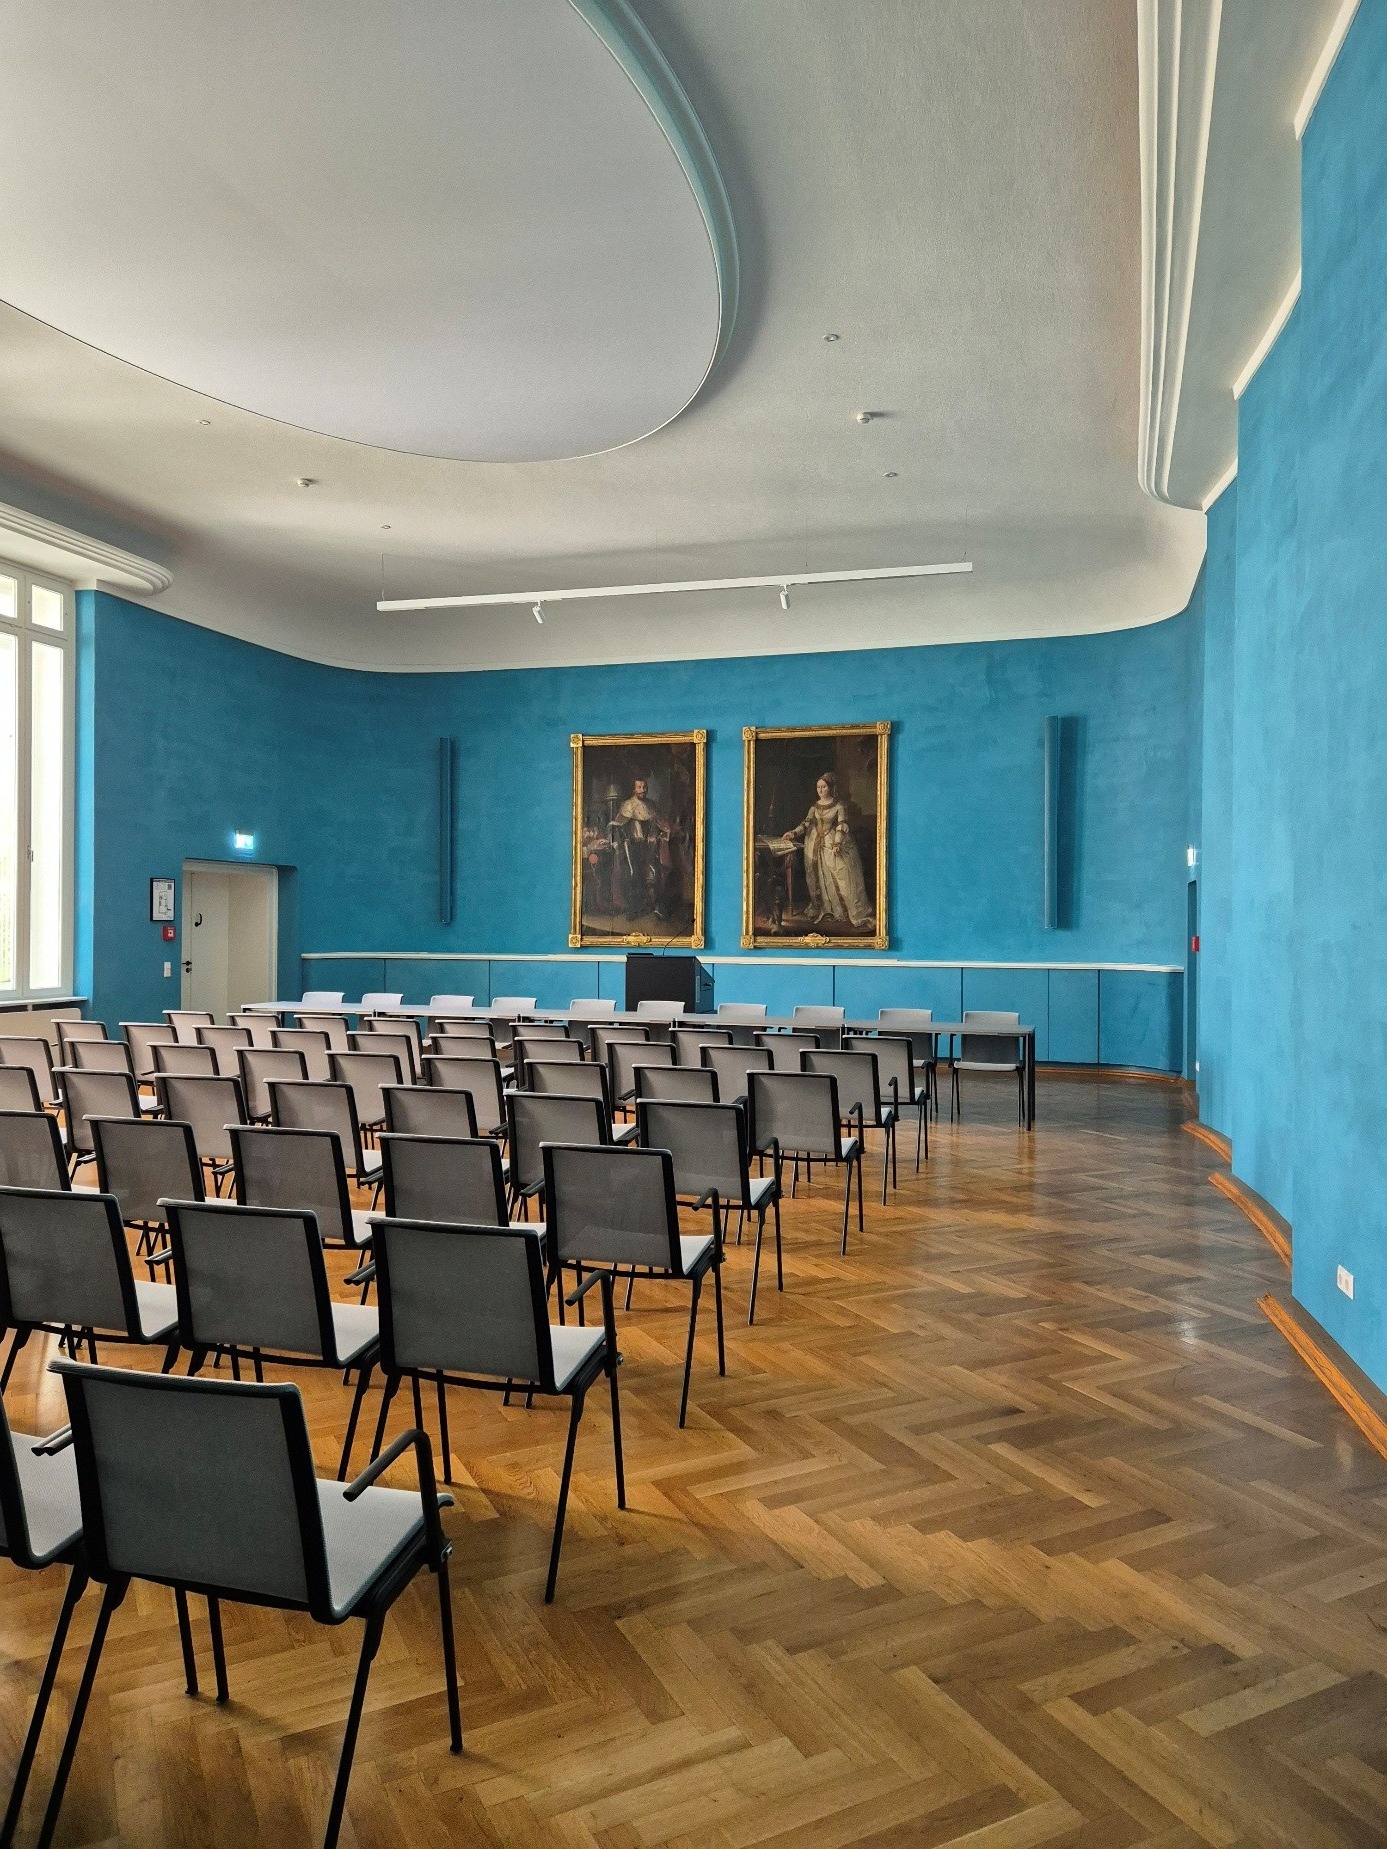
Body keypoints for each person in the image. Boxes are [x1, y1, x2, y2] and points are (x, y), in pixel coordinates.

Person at [783, 772, 873, 929]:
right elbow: (806, 823)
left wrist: (837, 843)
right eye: (818, 787)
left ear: (830, 788)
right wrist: (793, 833)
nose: (820, 790)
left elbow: (842, 824)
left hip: (833, 843)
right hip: (814, 843)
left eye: (823, 787)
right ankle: (828, 909)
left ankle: (847, 911)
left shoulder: (839, 805)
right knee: (820, 875)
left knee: (841, 876)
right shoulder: (815, 806)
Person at [610, 776, 672, 919]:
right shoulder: (628, 805)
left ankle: (657, 906)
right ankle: (636, 907)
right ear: (634, 789)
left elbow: (657, 824)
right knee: (635, 875)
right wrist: (620, 840)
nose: (642, 790)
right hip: (633, 846)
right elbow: (617, 825)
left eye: (644, 787)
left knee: (655, 874)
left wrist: (655, 835)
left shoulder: (651, 804)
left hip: (650, 846)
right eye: (639, 787)